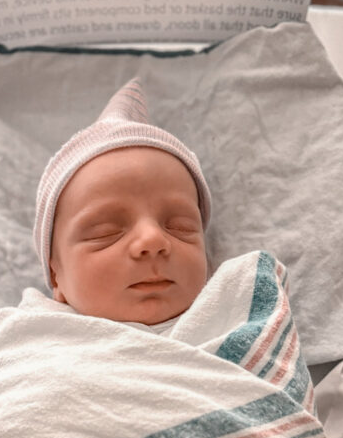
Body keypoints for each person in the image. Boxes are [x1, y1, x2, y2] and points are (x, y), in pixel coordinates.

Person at [33, 77, 212, 329]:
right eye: (105, 232)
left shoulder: (238, 314)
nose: (152, 239)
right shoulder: (34, 338)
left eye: (181, 227)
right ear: (55, 275)